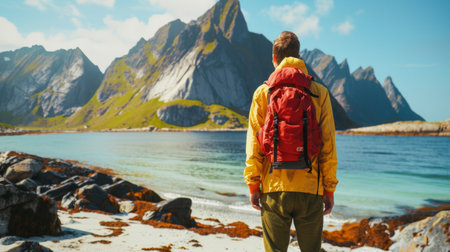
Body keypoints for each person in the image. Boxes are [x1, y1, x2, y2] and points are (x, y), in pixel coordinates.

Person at [244, 31, 338, 252]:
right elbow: (328, 146)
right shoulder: (319, 92)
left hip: (273, 188)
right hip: (310, 188)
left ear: (274, 58)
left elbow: (254, 144)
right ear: (299, 56)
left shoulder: (263, 92)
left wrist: (253, 184)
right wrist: (329, 189)